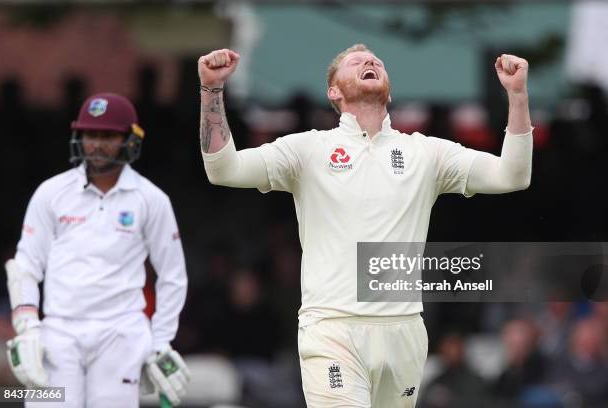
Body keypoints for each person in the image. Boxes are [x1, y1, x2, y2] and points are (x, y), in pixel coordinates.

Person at [197, 45, 533, 407]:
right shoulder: (308, 150)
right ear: (334, 91)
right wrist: (211, 91)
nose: (370, 62)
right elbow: (224, 169)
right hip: (332, 328)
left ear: (387, 88)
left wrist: (517, 95)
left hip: (403, 333)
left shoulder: (426, 153)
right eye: (355, 62)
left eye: (376, 61)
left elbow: (511, 175)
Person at [5, 93, 190, 407]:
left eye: (108, 136)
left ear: (129, 139)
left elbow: (172, 275)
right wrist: (27, 327)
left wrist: (161, 342)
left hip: (120, 334)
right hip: (58, 330)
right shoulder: (51, 193)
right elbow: (25, 265)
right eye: (91, 134)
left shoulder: (151, 199)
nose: (98, 144)